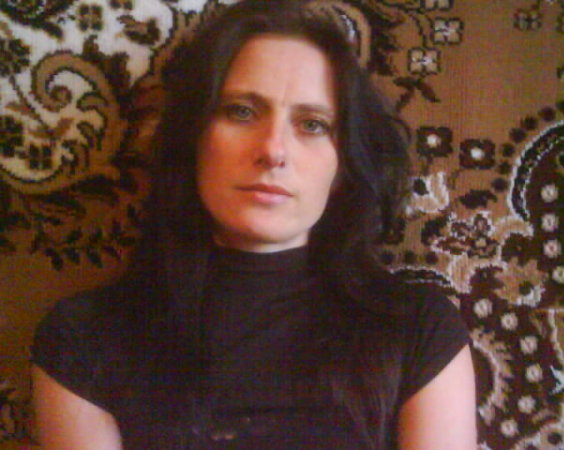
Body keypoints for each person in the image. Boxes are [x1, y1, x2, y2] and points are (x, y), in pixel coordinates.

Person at [31, 0, 477, 448]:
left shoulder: (420, 330)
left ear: (343, 166)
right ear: (192, 138)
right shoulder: (83, 339)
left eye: (312, 124)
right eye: (241, 112)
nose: (273, 150)